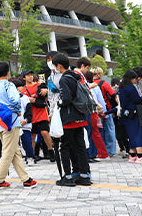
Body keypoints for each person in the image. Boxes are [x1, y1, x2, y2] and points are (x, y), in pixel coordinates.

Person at [0, 62, 37, 189]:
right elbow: (15, 100)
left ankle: (25, 179)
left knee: (15, 151)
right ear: (8, 73)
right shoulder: (9, 85)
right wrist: (16, 110)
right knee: (8, 152)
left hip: (0, 122)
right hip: (11, 122)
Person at [52, 53, 92, 186]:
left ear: (59, 65)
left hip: (69, 118)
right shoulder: (76, 77)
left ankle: (67, 177)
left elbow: (67, 98)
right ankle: (84, 175)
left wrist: (59, 103)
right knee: (80, 146)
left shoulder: (64, 79)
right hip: (80, 116)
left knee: (65, 147)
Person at [119, 70, 142, 163]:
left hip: (126, 113)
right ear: (131, 78)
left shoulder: (122, 87)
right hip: (134, 113)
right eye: (135, 79)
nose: (136, 80)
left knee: (131, 134)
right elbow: (137, 99)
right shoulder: (131, 88)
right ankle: (140, 156)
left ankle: (132, 155)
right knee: (138, 133)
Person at [20, 70, 54, 163]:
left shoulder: (39, 86)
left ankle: (51, 151)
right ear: (24, 78)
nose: (30, 77)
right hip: (31, 114)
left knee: (44, 132)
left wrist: (46, 90)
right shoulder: (23, 89)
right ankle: (32, 154)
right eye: (28, 75)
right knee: (32, 135)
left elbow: (48, 93)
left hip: (42, 112)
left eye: (31, 75)